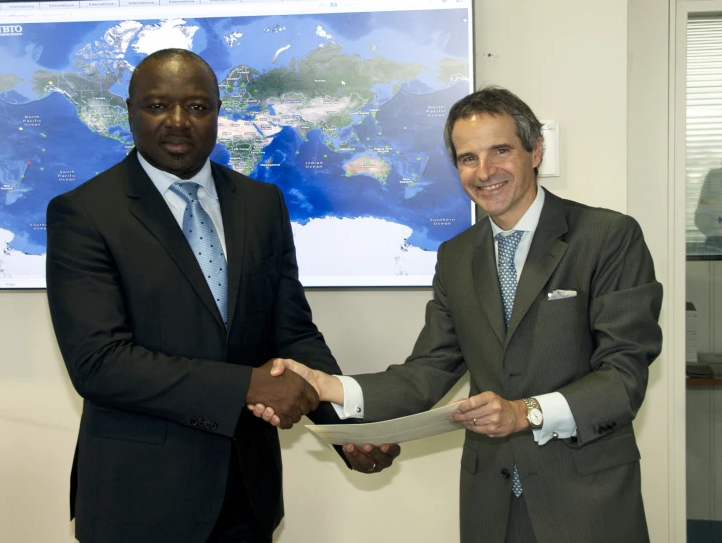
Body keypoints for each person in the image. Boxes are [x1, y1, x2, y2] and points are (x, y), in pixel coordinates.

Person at [252, 87, 664, 542]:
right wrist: (329, 387)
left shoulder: (608, 236)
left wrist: (524, 412)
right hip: (490, 501)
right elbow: (429, 370)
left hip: (587, 500)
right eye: (468, 158)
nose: (485, 172)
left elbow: (624, 375)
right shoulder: (455, 256)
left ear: (536, 150)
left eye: (500, 151)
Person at [45, 48, 396, 543]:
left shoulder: (260, 203)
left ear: (216, 113)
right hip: (138, 501)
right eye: (156, 105)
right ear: (129, 111)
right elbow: (99, 363)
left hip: (245, 497)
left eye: (196, 106)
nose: (177, 121)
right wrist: (247, 386)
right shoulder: (83, 214)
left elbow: (292, 333)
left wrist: (345, 430)